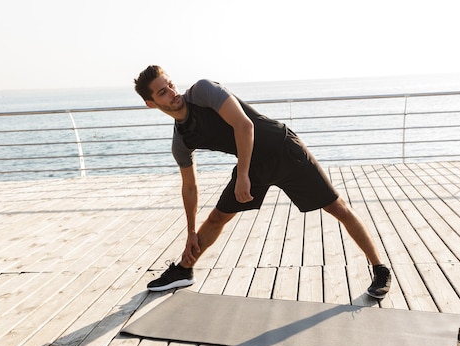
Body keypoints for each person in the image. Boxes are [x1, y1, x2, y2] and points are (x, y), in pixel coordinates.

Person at [133, 65, 391, 299]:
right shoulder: (181, 141)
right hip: (252, 164)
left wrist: (243, 175)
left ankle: (380, 269)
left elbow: (244, 126)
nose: (172, 93)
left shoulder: (202, 91)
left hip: (282, 148)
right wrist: (190, 230)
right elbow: (189, 187)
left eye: (170, 85)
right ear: (151, 103)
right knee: (216, 218)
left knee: (337, 208)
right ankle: (184, 270)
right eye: (162, 92)